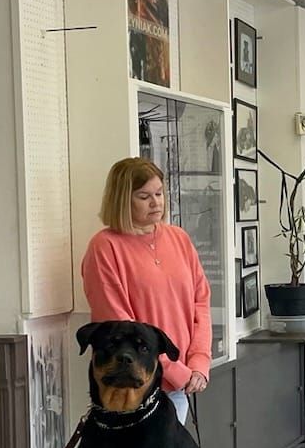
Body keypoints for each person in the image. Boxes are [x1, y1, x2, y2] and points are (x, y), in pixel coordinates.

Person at [81, 157, 212, 423]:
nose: (156, 203)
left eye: (159, 193)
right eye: (144, 196)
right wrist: (173, 372)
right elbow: (118, 324)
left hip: (182, 383)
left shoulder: (179, 238)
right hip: (133, 385)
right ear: (122, 199)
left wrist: (199, 363)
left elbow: (201, 304)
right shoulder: (104, 247)